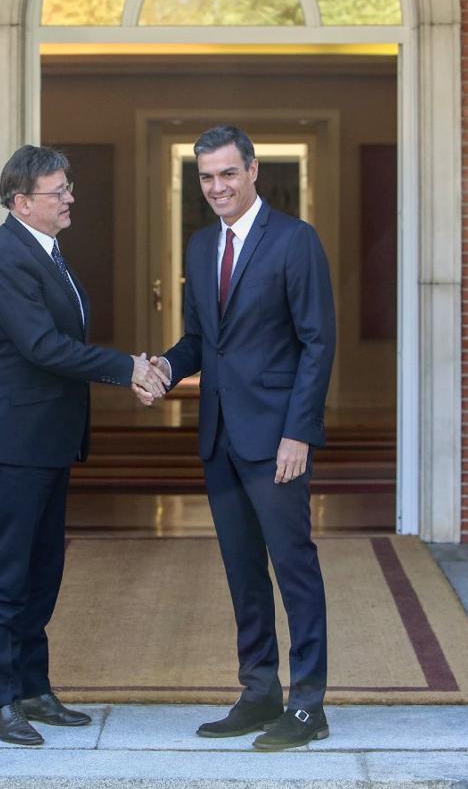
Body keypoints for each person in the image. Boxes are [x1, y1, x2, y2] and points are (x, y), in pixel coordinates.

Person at [0, 144, 169, 747]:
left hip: (46, 439)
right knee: (8, 573)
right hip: (12, 439)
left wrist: (129, 369)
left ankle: (34, 687)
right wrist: (127, 367)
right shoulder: (5, 259)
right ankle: (0, 700)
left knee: (44, 568)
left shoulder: (47, 252)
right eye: (59, 190)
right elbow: (42, 347)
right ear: (22, 202)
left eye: (68, 187)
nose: (70, 196)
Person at [140, 125, 336, 751]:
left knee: (294, 569)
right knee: (243, 572)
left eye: (228, 173)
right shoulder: (200, 247)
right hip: (220, 436)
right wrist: (167, 368)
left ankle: (308, 706)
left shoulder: (295, 241)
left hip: (277, 439)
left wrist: (298, 433)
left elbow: (316, 342)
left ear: (252, 171)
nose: (217, 187)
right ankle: (258, 693)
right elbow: (203, 339)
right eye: (206, 177)